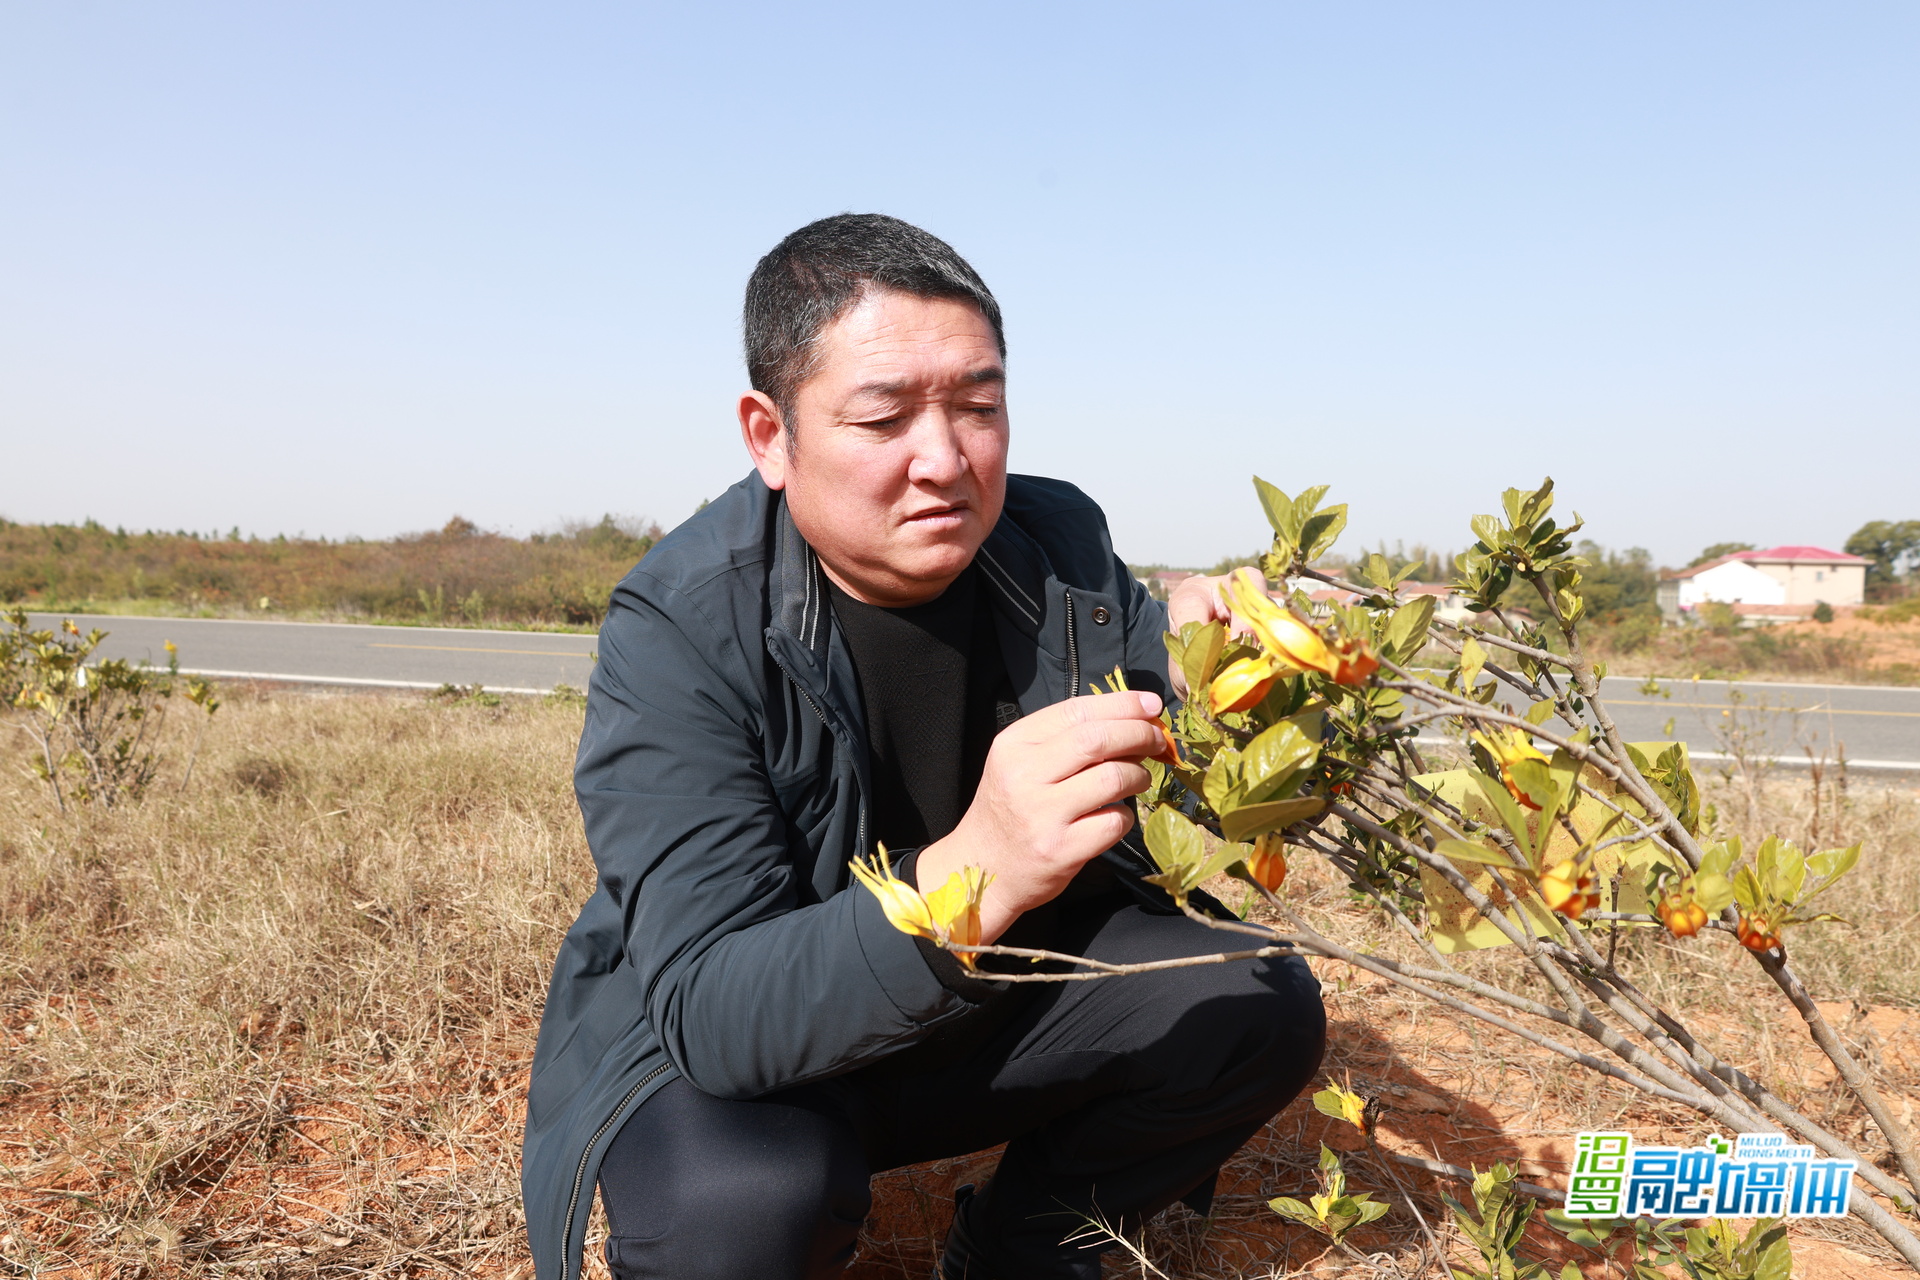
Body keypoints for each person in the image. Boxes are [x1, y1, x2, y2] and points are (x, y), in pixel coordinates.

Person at [521, 214, 1326, 1280]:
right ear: (771, 434)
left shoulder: (1056, 544)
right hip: (746, 1042)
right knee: (745, 1204)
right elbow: (717, 1010)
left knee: (1255, 997)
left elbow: (1173, 788)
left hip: (974, 997)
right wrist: (975, 865)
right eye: (884, 415)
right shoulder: (680, 624)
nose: (944, 459)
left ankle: (1018, 1249)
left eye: (979, 407)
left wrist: (1219, 689)